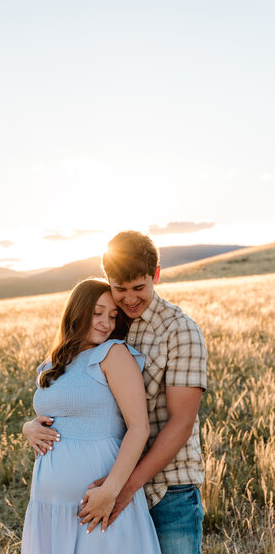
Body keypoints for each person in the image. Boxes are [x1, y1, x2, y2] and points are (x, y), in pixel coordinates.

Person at [23, 231, 207, 554]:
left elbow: (181, 424)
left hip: (168, 488)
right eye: (120, 290)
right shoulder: (115, 325)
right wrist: (31, 426)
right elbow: (83, 395)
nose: (130, 299)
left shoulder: (180, 331)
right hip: (110, 487)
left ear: (156, 276)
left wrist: (120, 489)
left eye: (139, 288)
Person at [21, 278, 161, 554]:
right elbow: (58, 414)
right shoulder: (52, 364)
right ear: (77, 311)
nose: (106, 323)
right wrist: (28, 427)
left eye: (112, 316)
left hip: (98, 505)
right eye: (97, 313)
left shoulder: (113, 354)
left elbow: (139, 428)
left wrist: (110, 492)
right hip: (49, 509)